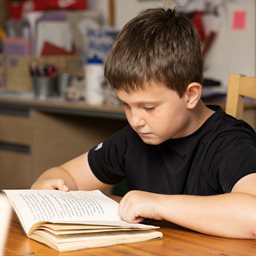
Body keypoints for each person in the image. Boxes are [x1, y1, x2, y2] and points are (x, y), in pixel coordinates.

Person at [31, 8, 256, 239]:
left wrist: (158, 205)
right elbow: (66, 174)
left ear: (190, 95)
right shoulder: (134, 139)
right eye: (126, 105)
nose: (135, 120)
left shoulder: (231, 143)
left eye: (148, 107)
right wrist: (49, 184)